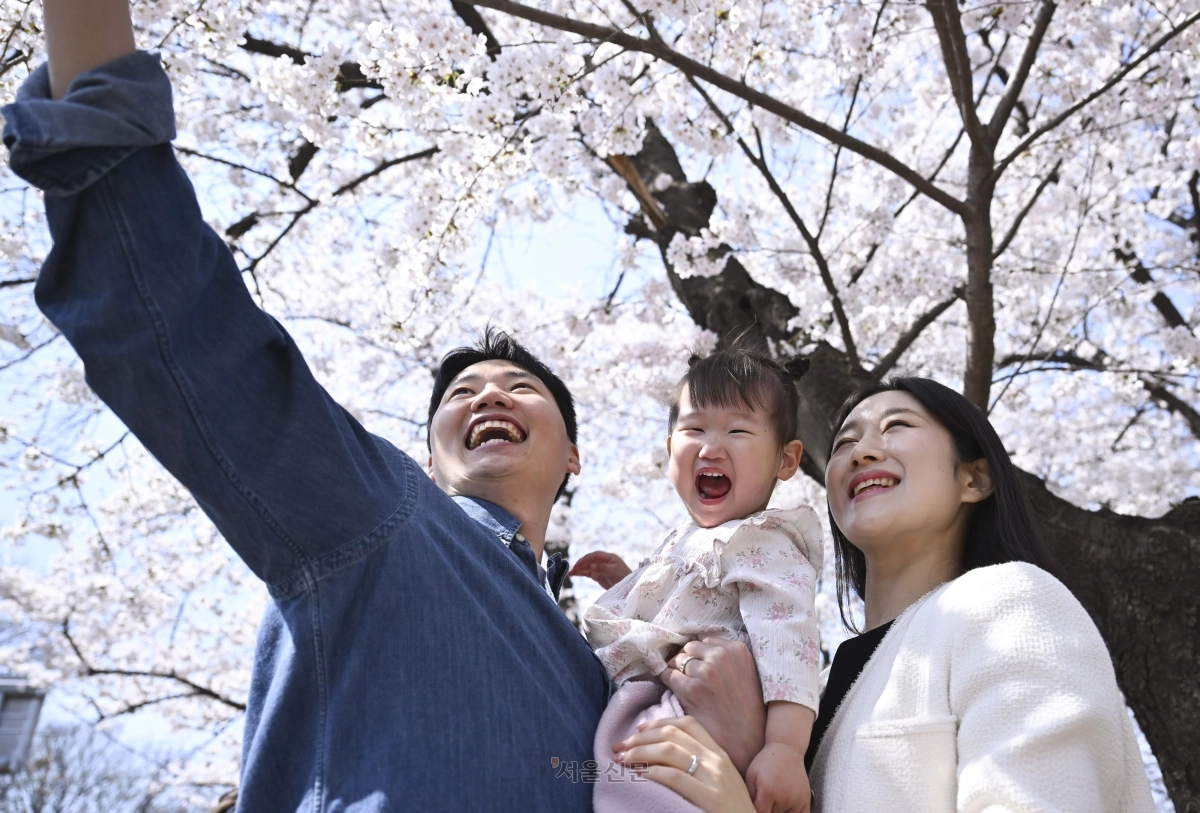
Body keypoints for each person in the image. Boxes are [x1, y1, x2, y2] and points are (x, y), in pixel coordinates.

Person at [0, 2, 751, 808]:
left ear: (574, 456)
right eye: (462, 393)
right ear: (429, 461)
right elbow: (187, 337)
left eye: (519, 387)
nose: (490, 392)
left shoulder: (605, 681)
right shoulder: (383, 517)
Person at [614, 377, 1157, 812]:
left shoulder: (1012, 601)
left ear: (974, 480)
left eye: (896, 427)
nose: (861, 452)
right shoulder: (813, 694)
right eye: (845, 441)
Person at [570, 346, 820, 813]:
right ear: (669, 451)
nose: (711, 446)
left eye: (738, 430)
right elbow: (687, 606)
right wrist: (630, 582)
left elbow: (790, 643)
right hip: (652, 702)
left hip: (696, 717)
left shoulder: (762, 540)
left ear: (786, 461)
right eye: (693, 428)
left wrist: (785, 748)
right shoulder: (689, 540)